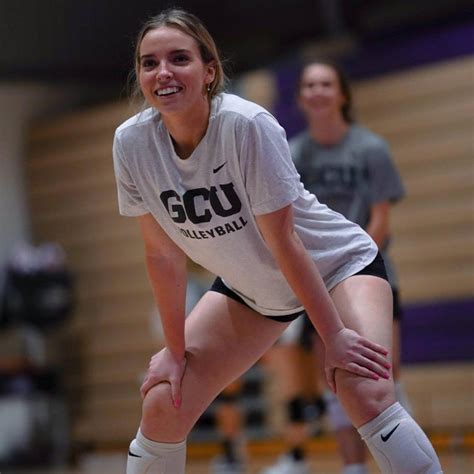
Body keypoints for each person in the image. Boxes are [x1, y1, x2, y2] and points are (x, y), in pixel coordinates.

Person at [112, 8, 442, 474]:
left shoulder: (247, 125)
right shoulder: (131, 144)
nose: (163, 72)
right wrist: (173, 350)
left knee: (361, 385)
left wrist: (334, 338)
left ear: (209, 72)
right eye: (149, 62)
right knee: (165, 399)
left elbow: (284, 240)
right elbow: (161, 254)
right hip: (254, 288)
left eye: (179, 59)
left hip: (334, 266)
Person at [261, 60, 413, 474]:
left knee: (382, 374)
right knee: (338, 379)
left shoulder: (370, 149)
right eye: (309, 84)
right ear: (300, 97)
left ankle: (403, 462)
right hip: (317, 281)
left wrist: (357, 261)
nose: (318, 91)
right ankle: (353, 467)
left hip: (368, 271)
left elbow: (380, 218)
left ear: (342, 94)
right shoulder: (292, 153)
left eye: (326, 83)